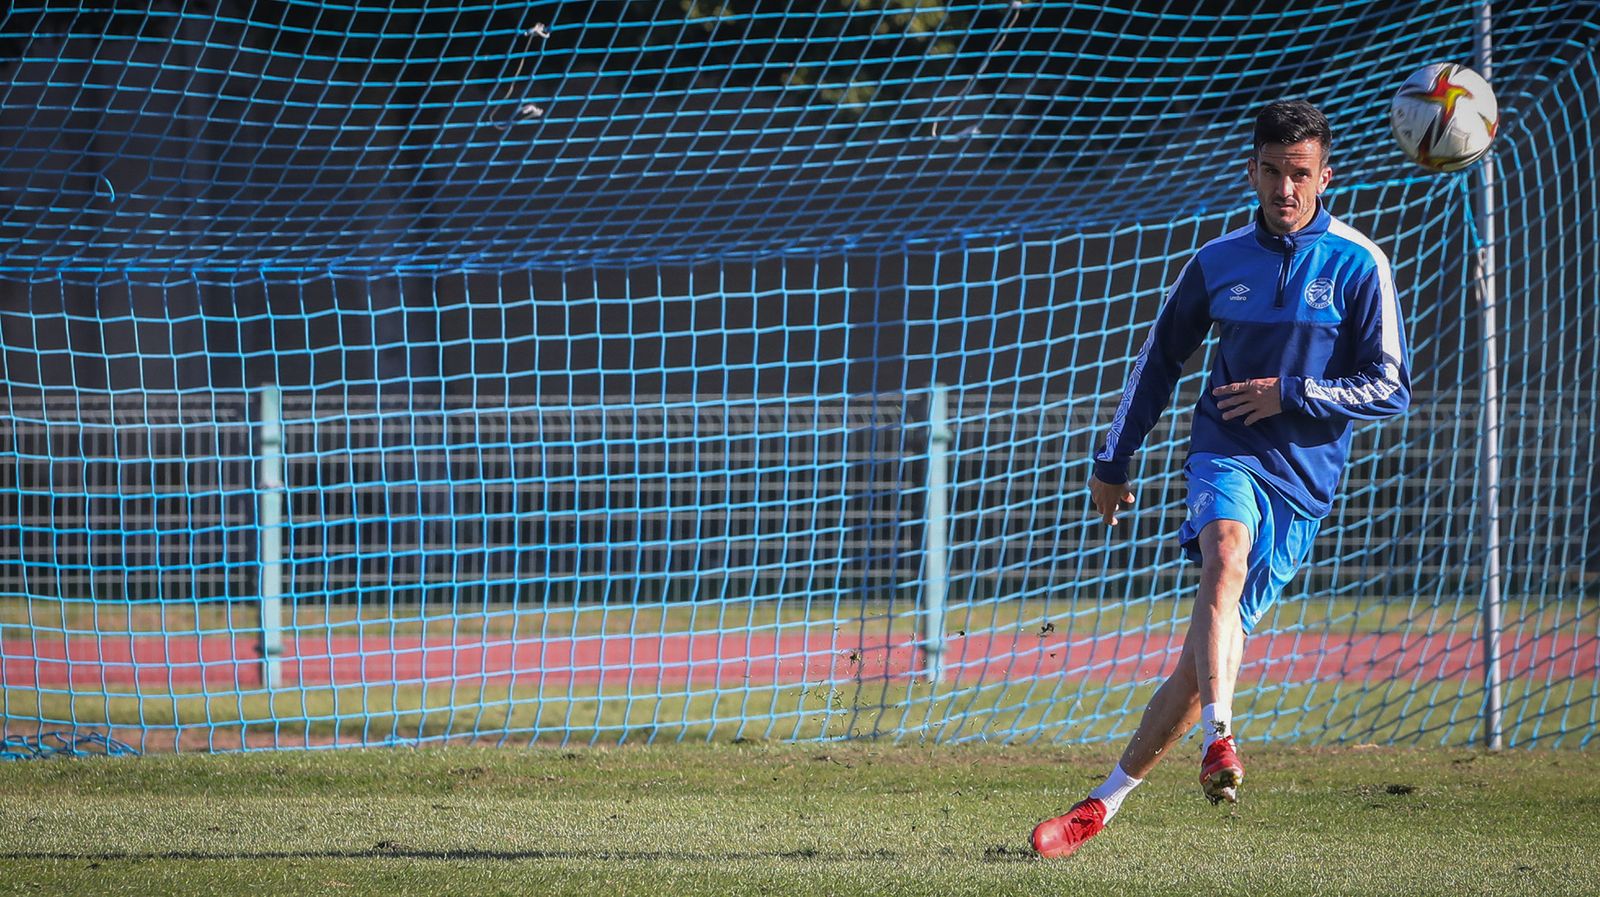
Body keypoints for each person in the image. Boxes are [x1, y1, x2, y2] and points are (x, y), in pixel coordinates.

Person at [1031, 99, 1411, 859]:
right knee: (1225, 553)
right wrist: (1113, 459)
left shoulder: (1360, 263)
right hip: (1224, 454)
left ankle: (1100, 806)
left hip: (1303, 485)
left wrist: (1290, 393)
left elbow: (1390, 387)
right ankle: (1221, 744)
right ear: (1253, 171)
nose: (1284, 188)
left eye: (1298, 174)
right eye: (1271, 172)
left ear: (1324, 176)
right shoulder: (1216, 260)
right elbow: (1157, 360)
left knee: (1200, 671)